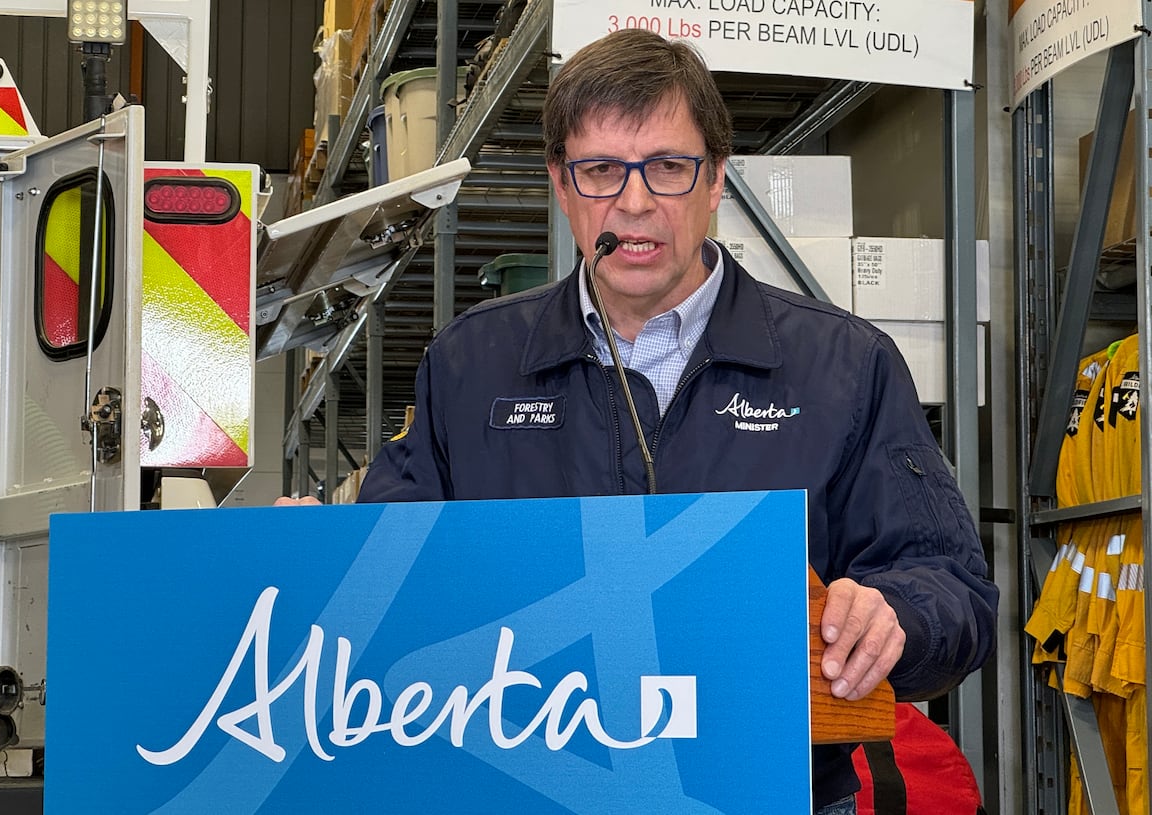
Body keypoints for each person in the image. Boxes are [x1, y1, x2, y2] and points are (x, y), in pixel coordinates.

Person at [282, 28, 998, 813]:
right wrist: (320, 562)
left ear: (716, 178)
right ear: (561, 184)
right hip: (524, 790)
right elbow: (395, 574)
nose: (634, 201)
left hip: (768, 790)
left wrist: (897, 614)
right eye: (599, 171)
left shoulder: (842, 365)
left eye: (666, 166)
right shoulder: (469, 367)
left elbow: (955, 589)